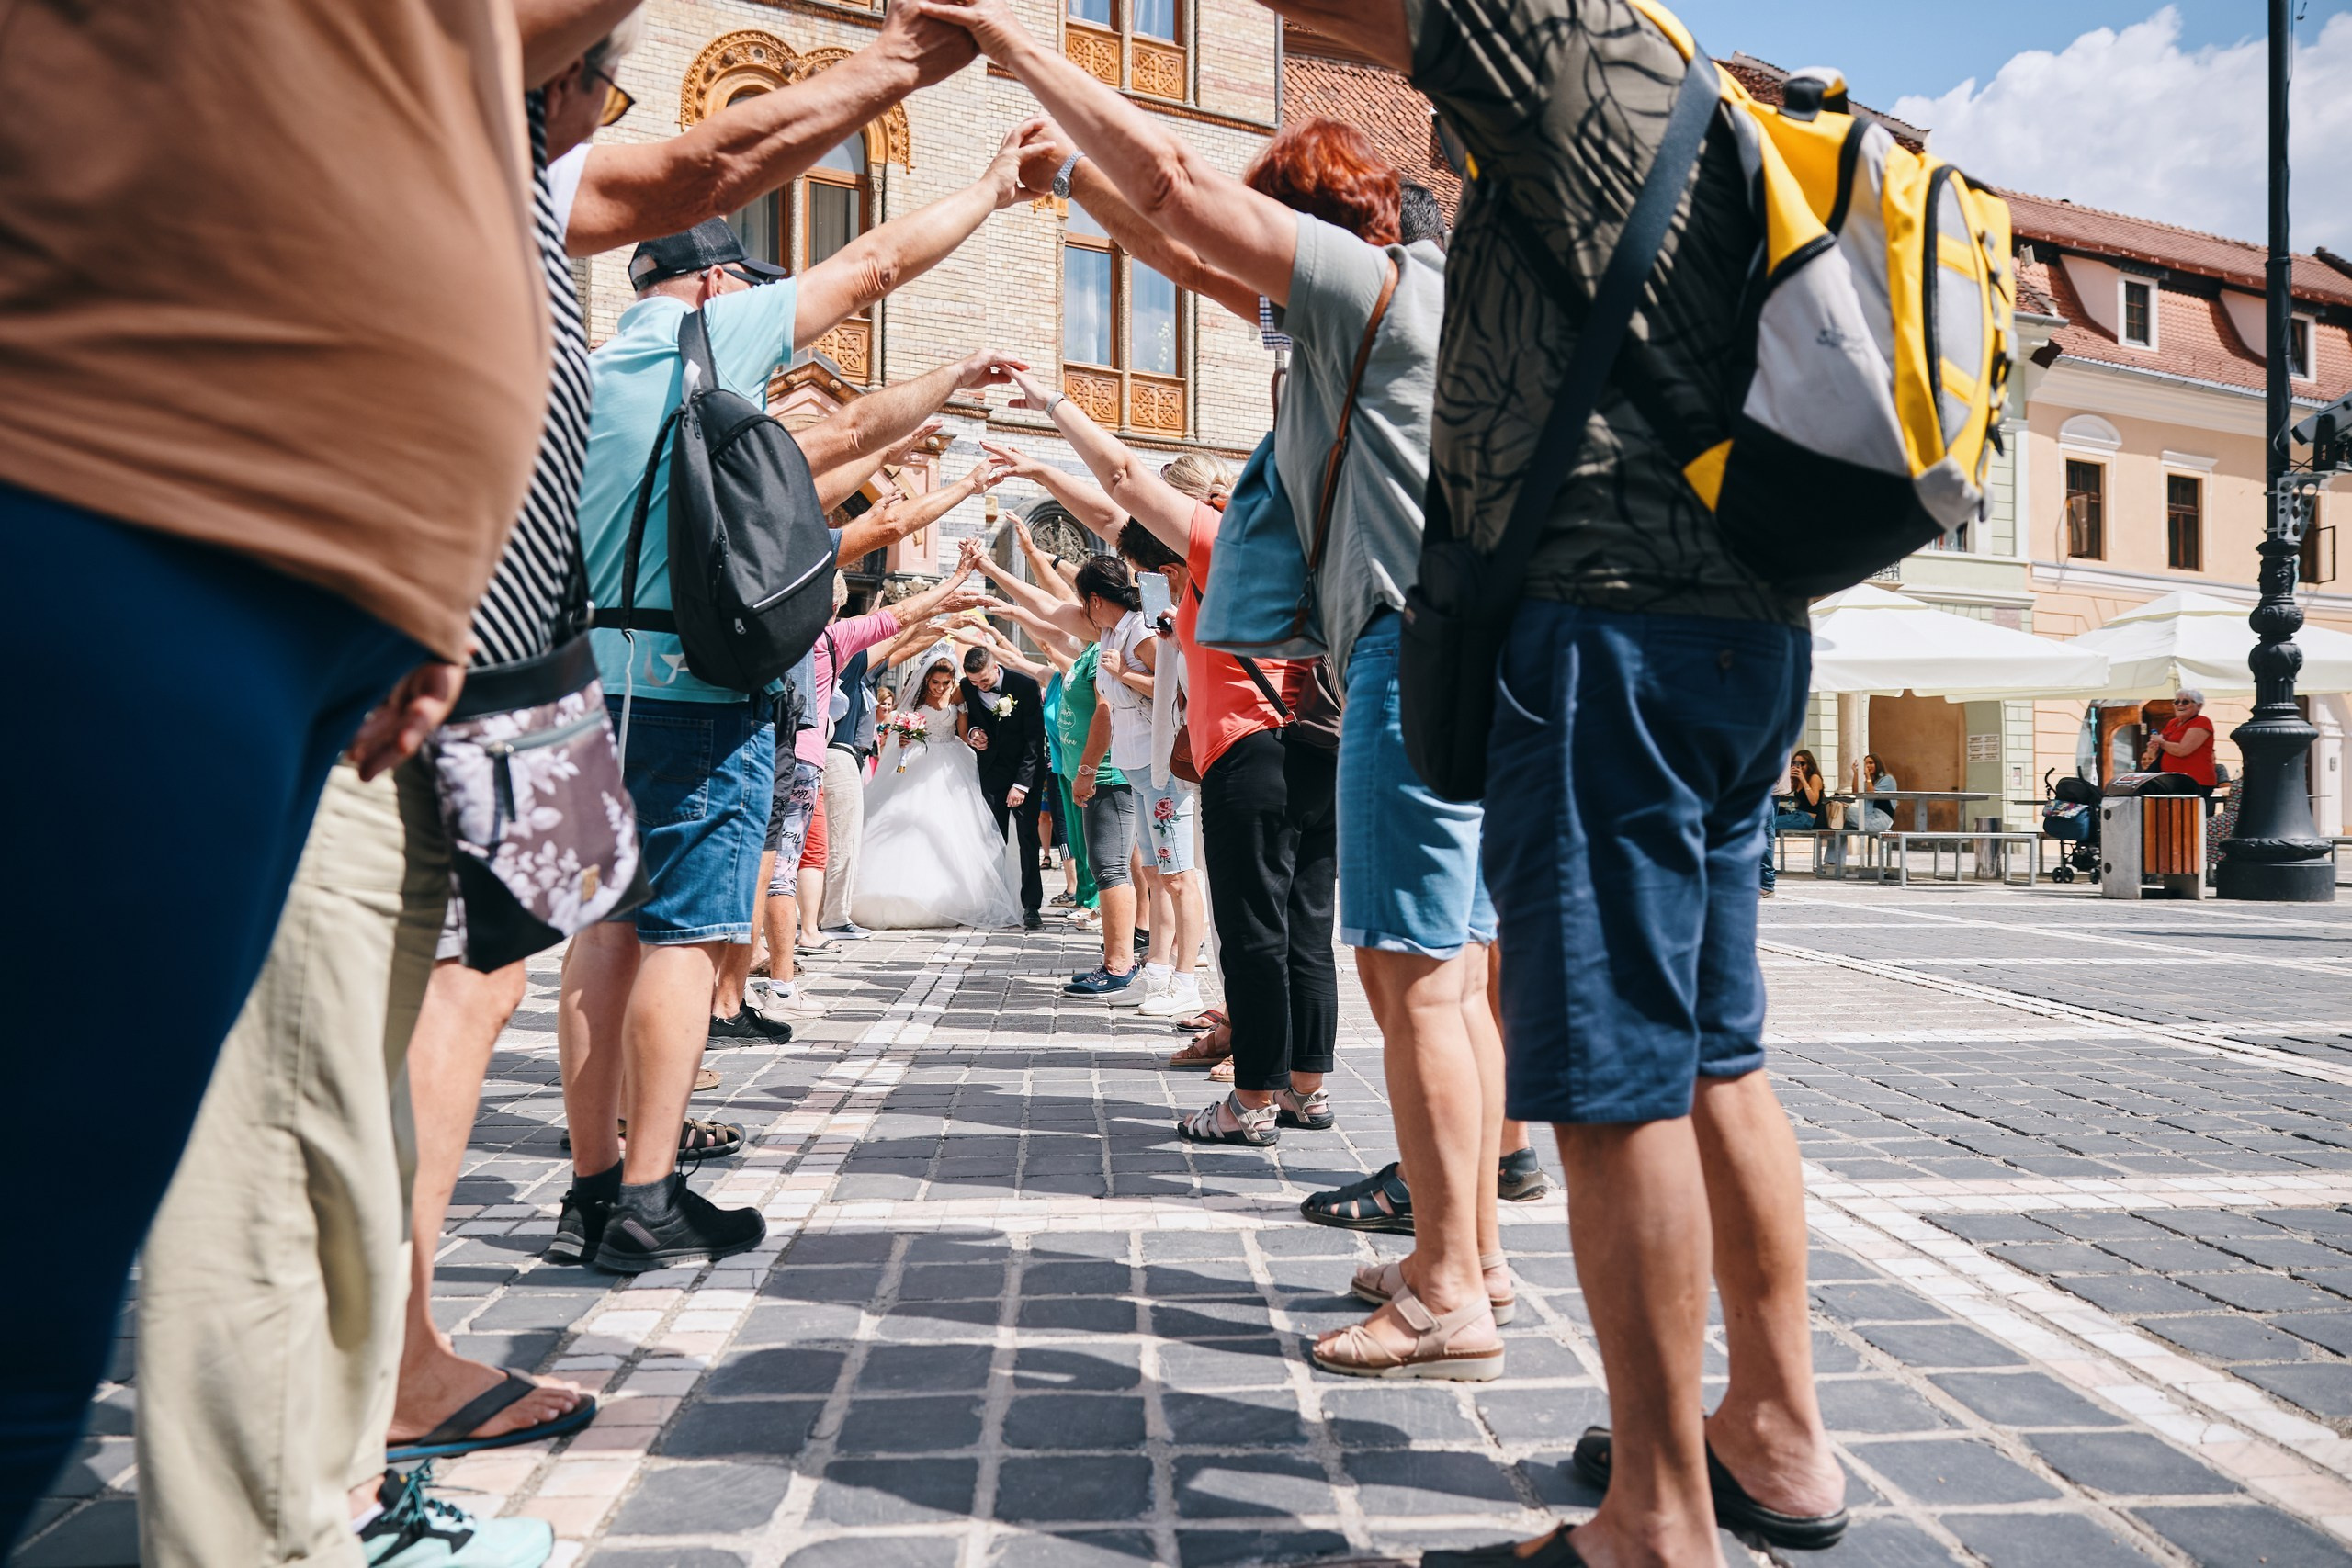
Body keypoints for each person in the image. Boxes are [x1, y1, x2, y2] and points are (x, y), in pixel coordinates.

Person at [1227, 2, 1849, 1562]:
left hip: (1604, 631)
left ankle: (1654, 1517)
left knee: (1610, 1075)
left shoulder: (1571, 52)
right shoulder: (1711, 107)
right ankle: (1773, 1438)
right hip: (1741, 623)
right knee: (1716, 1052)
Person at [0, 0, 551, 1547]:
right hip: (118, 470)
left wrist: (431, 577)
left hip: (332, 588)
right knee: (45, 1304)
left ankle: (304, 1510)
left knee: (51, 1293)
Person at [938, 20, 1500, 1380]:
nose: (1253, 275)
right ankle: (1460, 1253)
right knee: (1444, 972)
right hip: (1435, 649)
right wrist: (1073, 193)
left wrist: (1022, 56)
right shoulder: (1392, 311)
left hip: (1403, 652)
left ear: (1315, 223)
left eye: (1277, 232)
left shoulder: (1370, 292)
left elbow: (1191, 199)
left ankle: (1450, 1288)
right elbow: (1192, 249)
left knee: (1412, 977)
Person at [558, 183, 1029, 1273]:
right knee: (683, 934)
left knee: (604, 932)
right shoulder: (709, 336)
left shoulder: (580, 375)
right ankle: (650, 1191)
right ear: (721, 284)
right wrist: (995, 188)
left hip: (592, 690)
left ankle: (589, 1190)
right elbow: (869, 275)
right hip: (693, 693)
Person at [854, 656, 1027, 927]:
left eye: (945, 682)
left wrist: (974, 737)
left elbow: (962, 731)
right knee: (907, 817)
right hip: (918, 759)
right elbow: (902, 731)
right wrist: (904, 738)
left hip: (951, 760)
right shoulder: (915, 696)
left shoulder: (957, 693)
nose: (940, 687)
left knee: (952, 825)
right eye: (935, 682)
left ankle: (956, 897)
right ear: (926, 679)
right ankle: (897, 892)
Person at [961, 642, 1051, 928]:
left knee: (1027, 839)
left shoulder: (1023, 685)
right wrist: (974, 732)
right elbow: (970, 720)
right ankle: (995, 902)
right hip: (990, 774)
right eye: (975, 682)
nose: (980, 686)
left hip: (1025, 775)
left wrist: (1021, 785)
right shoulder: (967, 686)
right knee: (992, 840)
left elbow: (1035, 740)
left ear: (994, 666)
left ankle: (1031, 906)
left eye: (984, 680)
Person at [1762, 749, 1828, 896]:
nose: (1798, 766)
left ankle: (1766, 880)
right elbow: (1785, 791)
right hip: (1796, 814)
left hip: (1807, 818)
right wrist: (1791, 778)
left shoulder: (1814, 778)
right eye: (1794, 763)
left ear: (1809, 764)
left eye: (1802, 763)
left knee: (1767, 828)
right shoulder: (1796, 780)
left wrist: (1803, 780)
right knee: (1766, 827)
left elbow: (1814, 801)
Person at [2142, 688, 2218, 791]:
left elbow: (2182, 750)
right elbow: (2161, 750)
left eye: (2185, 702)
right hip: (2170, 779)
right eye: (2176, 702)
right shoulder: (2172, 723)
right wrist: (2153, 749)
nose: (2180, 705)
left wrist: (2161, 742)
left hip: (2194, 780)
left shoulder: (2202, 722)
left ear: (2199, 705)